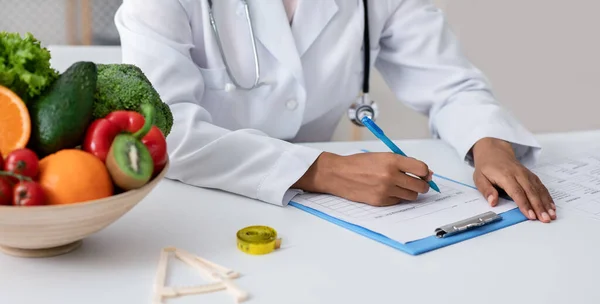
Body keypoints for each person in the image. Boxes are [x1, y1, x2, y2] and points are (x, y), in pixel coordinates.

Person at [114, 0, 556, 223]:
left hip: (334, 217)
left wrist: (489, 144)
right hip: (197, 213)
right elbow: (165, 132)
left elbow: (450, 81)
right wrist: (322, 171)